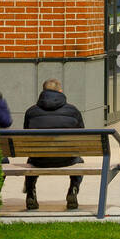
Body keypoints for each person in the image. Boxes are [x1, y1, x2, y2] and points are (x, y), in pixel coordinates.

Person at [22, 78, 86, 211]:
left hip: (39, 159)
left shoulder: (31, 112)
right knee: (79, 160)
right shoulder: (73, 111)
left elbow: (26, 136)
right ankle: (73, 190)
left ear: (43, 92)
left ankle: (30, 194)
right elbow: (81, 137)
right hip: (67, 159)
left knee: (31, 160)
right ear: (60, 91)